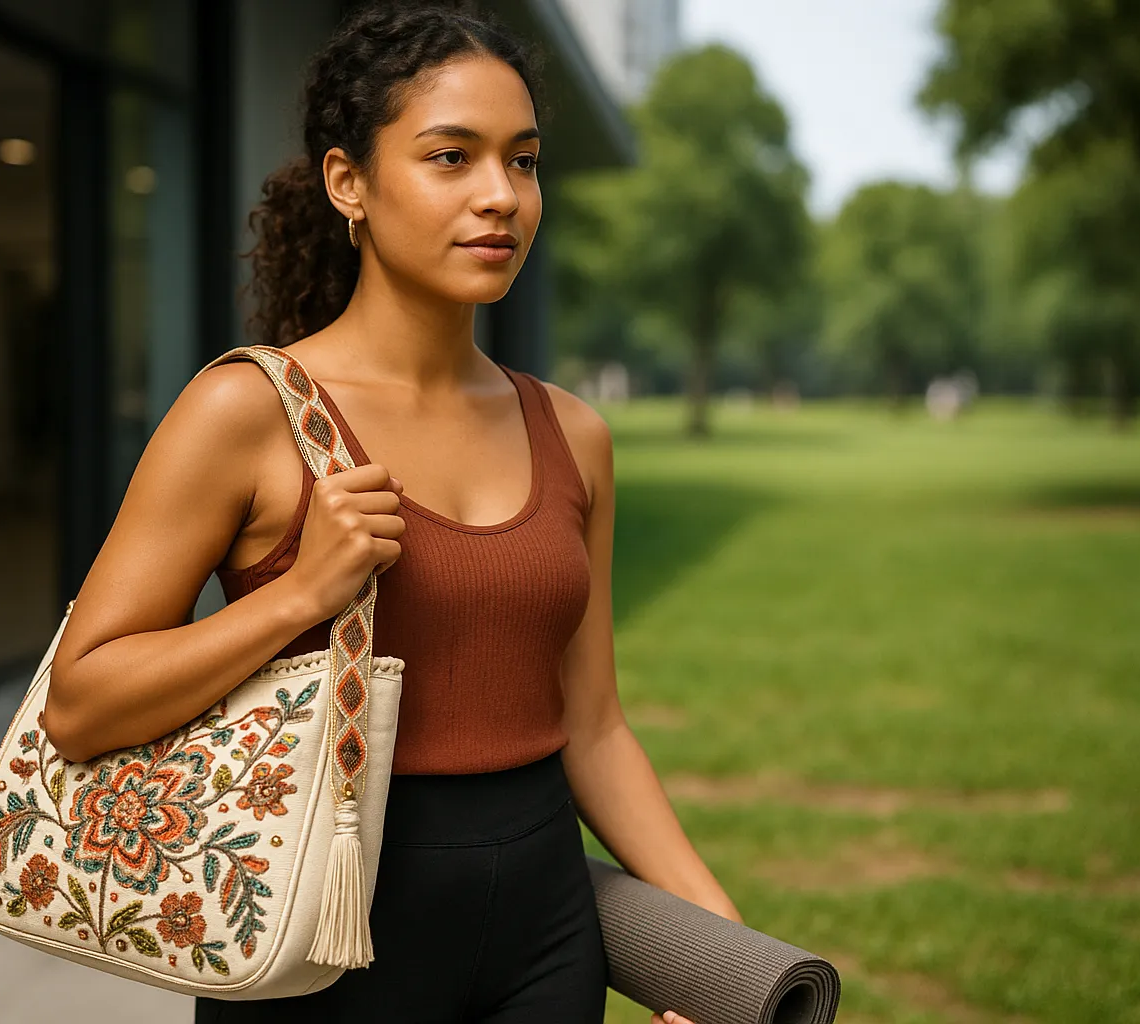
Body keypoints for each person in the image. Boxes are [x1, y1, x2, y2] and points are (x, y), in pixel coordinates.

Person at [44, 5, 739, 1022]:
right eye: (450, 157)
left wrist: (715, 942)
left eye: (525, 160)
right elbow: (81, 702)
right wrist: (300, 597)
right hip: (318, 930)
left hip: (547, 926)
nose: (500, 196)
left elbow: (594, 728)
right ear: (348, 184)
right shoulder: (246, 411)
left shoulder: (574, 434)